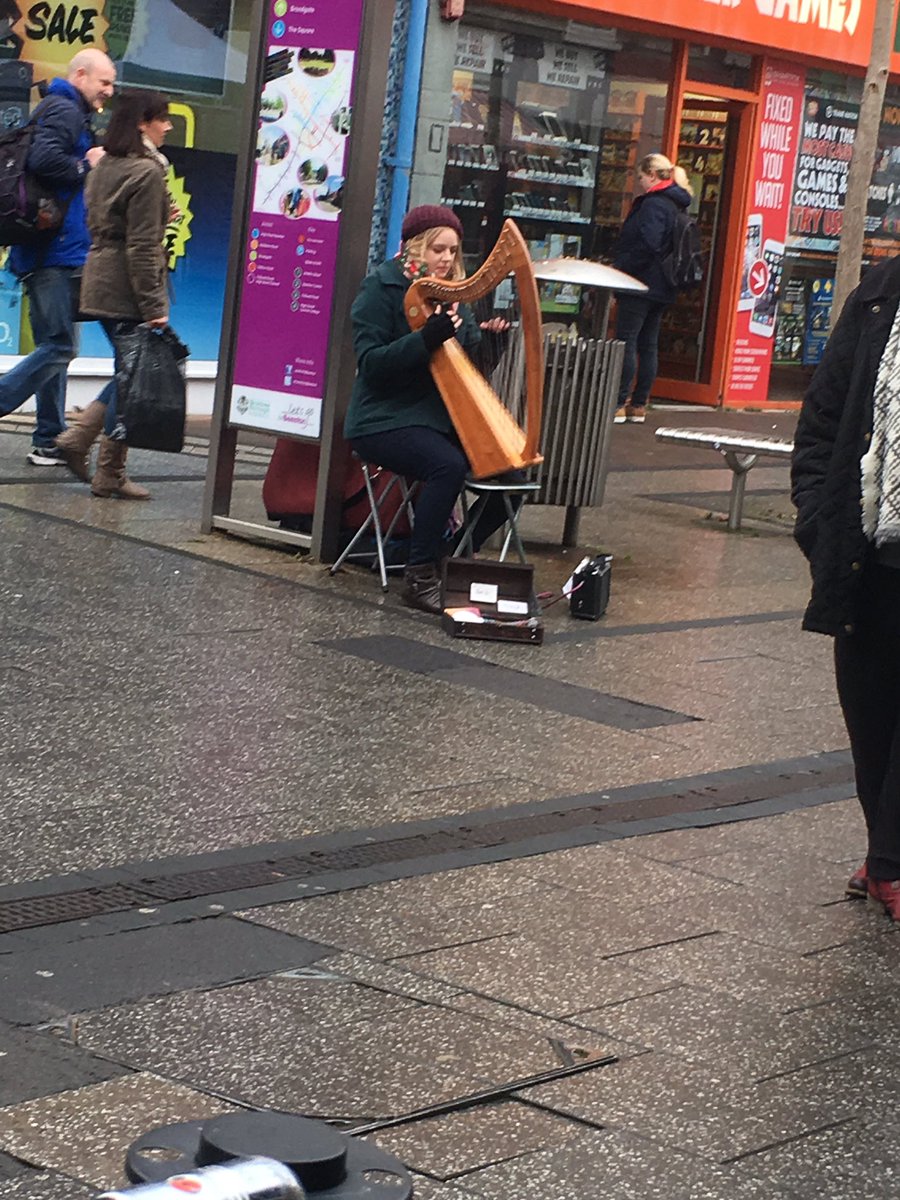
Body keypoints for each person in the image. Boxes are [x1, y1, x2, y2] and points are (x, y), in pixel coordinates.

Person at [791, 254, 900, 920]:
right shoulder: (878, 296)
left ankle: (889, 864)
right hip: (869, 556)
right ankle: (884, 852)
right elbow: (824, 416)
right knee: (871, 718)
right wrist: (817, 514)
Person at [344, 204, 514, 614]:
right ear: (414, 247)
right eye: (438, 249)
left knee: (512, 473)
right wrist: (424, 339)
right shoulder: (380, 287)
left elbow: (468, 366)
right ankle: (419, 576)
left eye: (453, 251)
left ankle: (452, 558)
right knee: (447, 466)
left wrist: (492, 341)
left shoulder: (451, 294)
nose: (447, 259)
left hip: (434, 419)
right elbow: (371, 364)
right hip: (381, 418)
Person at [0, 48, 115, 465]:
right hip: (52, 253)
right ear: (80, 75)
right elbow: (44, 159)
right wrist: (87, 164)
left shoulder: (66, 110)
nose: (109, 91)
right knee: (60, 346)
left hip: (50, 250)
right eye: (104, 82)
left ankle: (49, 437)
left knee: (57, 346)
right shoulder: (65, 110)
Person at [57, 90, 173, 500]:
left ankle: (103, 465)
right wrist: (154, 305)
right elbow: (141, 245)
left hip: (101, 277)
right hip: (128, 287)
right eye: (162, 118)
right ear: (143, 123)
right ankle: (92, 454)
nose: (168, 126)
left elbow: (108, 220)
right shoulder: (147, 173)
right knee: (132, 374)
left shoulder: (105, 164)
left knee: (129, 371)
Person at [612, 153, 693, 424]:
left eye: (641, 177)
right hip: (663, 285)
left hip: (640, 282)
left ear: (652, 175)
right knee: (648, 344)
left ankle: (620, 402)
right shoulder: (677, 203)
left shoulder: (654, 204)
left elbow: (649, 244)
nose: (640, 182)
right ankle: (639, 404)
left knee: (627, 341)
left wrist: (622, 267)